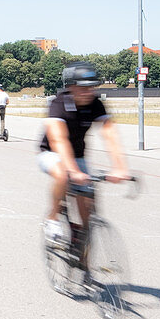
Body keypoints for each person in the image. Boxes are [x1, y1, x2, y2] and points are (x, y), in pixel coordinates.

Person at [39, 62, 130, 251]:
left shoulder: (96, 104)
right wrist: (73, 170)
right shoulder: (59, 104)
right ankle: (53, 219)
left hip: (78, 157)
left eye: (92, 87)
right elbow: (59, 140)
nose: (88, 91)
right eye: (83, 87)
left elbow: (110, 135)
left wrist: (120, 167)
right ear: (71, 86)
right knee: (63, 174)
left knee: (88, 214)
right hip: (52, 153)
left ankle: (83, 264)